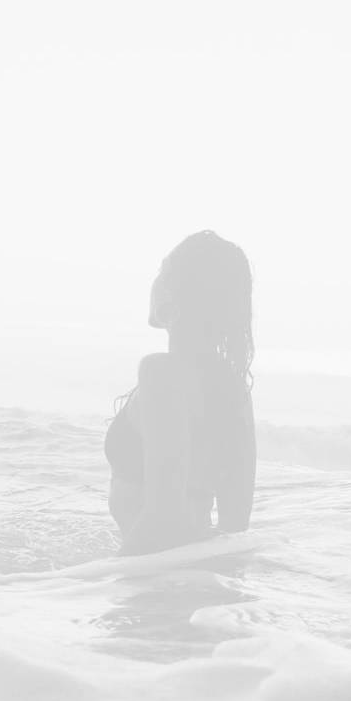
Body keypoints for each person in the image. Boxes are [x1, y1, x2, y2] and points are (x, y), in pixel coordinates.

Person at [105, 230, 257, 555]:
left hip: (153, 572)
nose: (154, 282)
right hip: (191, 574)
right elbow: (236, 524)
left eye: (162, 271)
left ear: (174, 296)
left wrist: (106, 577)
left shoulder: (161, 374)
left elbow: (163, 517)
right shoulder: (234, 392)